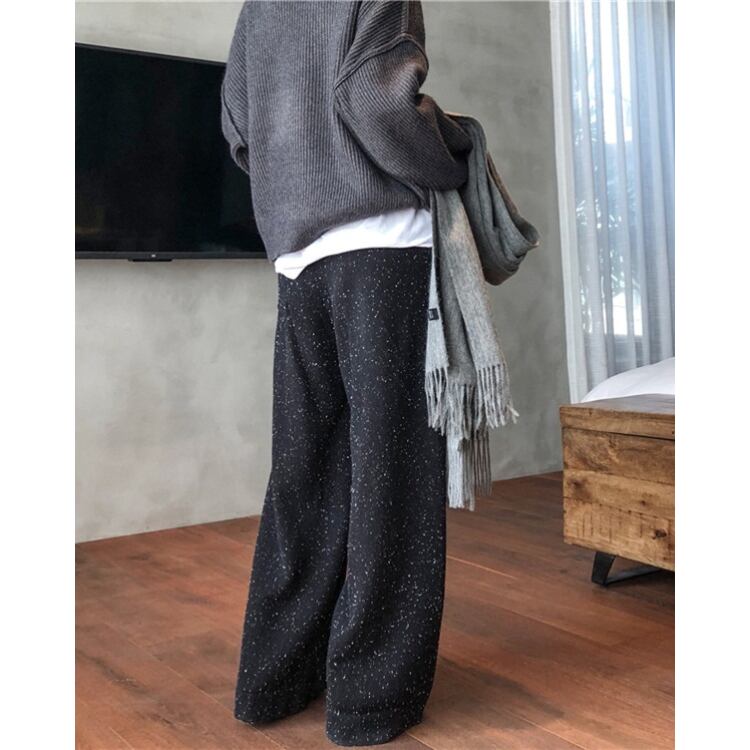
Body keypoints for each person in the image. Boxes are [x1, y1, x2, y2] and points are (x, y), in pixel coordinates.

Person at [220, 1, 472, 745]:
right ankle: (369, 701)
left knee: (306, 474)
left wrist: (296, 191)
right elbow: (373, 98)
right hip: (383, 249)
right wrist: (451, 156)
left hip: (298, 259)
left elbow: (238, 126)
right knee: (393, 472)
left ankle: (273, 680)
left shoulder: (259, 7)